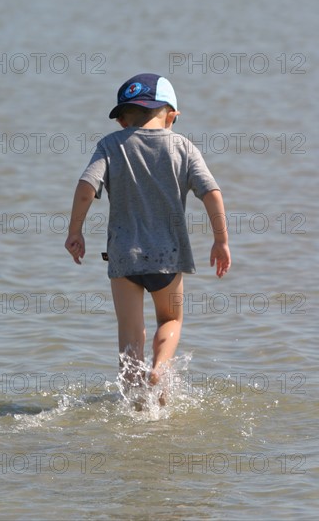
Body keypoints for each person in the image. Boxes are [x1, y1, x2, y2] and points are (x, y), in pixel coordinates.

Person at [65, 73, 231, 400]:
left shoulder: (110, 145)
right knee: (170, 319)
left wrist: (76, 231)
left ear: (124, 118)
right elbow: (211, 192)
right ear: (172, 115)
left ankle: (135, 404)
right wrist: (220, 240)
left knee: (129, 336)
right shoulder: (182, 146)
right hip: (168, 257)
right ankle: (160, 369)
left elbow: (86, 188)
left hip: (124, 256)